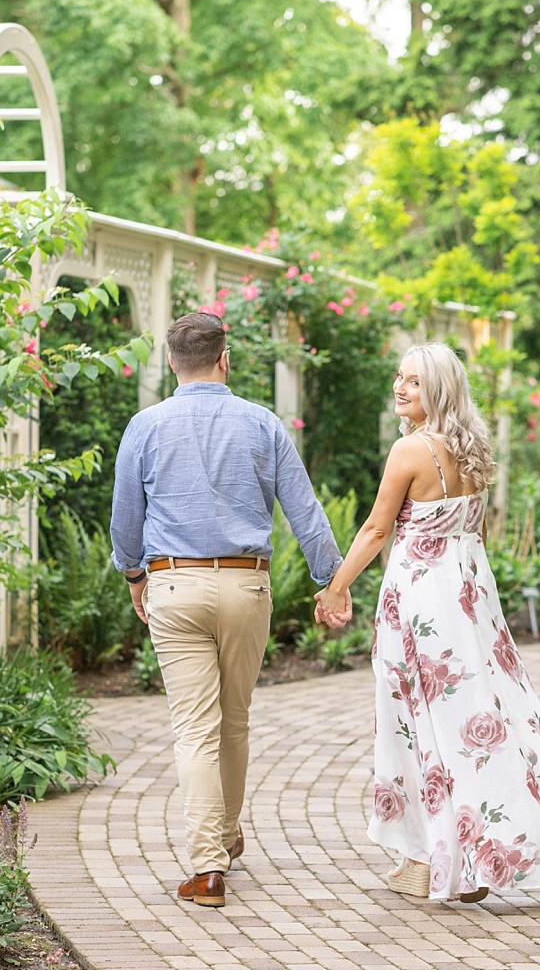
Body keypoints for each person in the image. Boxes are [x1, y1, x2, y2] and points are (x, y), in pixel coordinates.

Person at [315, 342, 540, 902]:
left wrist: (336, 586)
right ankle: (473, 854)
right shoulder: (472, 449)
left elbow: (378, 531)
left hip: (420, 600)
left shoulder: (410, 450)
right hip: (467, 597)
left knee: (416, 723)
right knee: (485, 719)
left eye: (413, 381)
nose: (400, 388)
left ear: (439, 390)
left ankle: (431, 858)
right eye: (398, 378)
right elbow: (475, 536)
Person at [111, 312, 347, 909]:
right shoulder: (262, 424)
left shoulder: (145, 426)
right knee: (234, 722)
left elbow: (125, 520)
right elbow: (305, 511)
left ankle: (208, 865)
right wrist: (332, 582)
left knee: (195, 730)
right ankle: (225, 834)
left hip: (173, 586)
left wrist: (134, 574)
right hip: (246, 589)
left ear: (171, 361)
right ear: (226, 357)